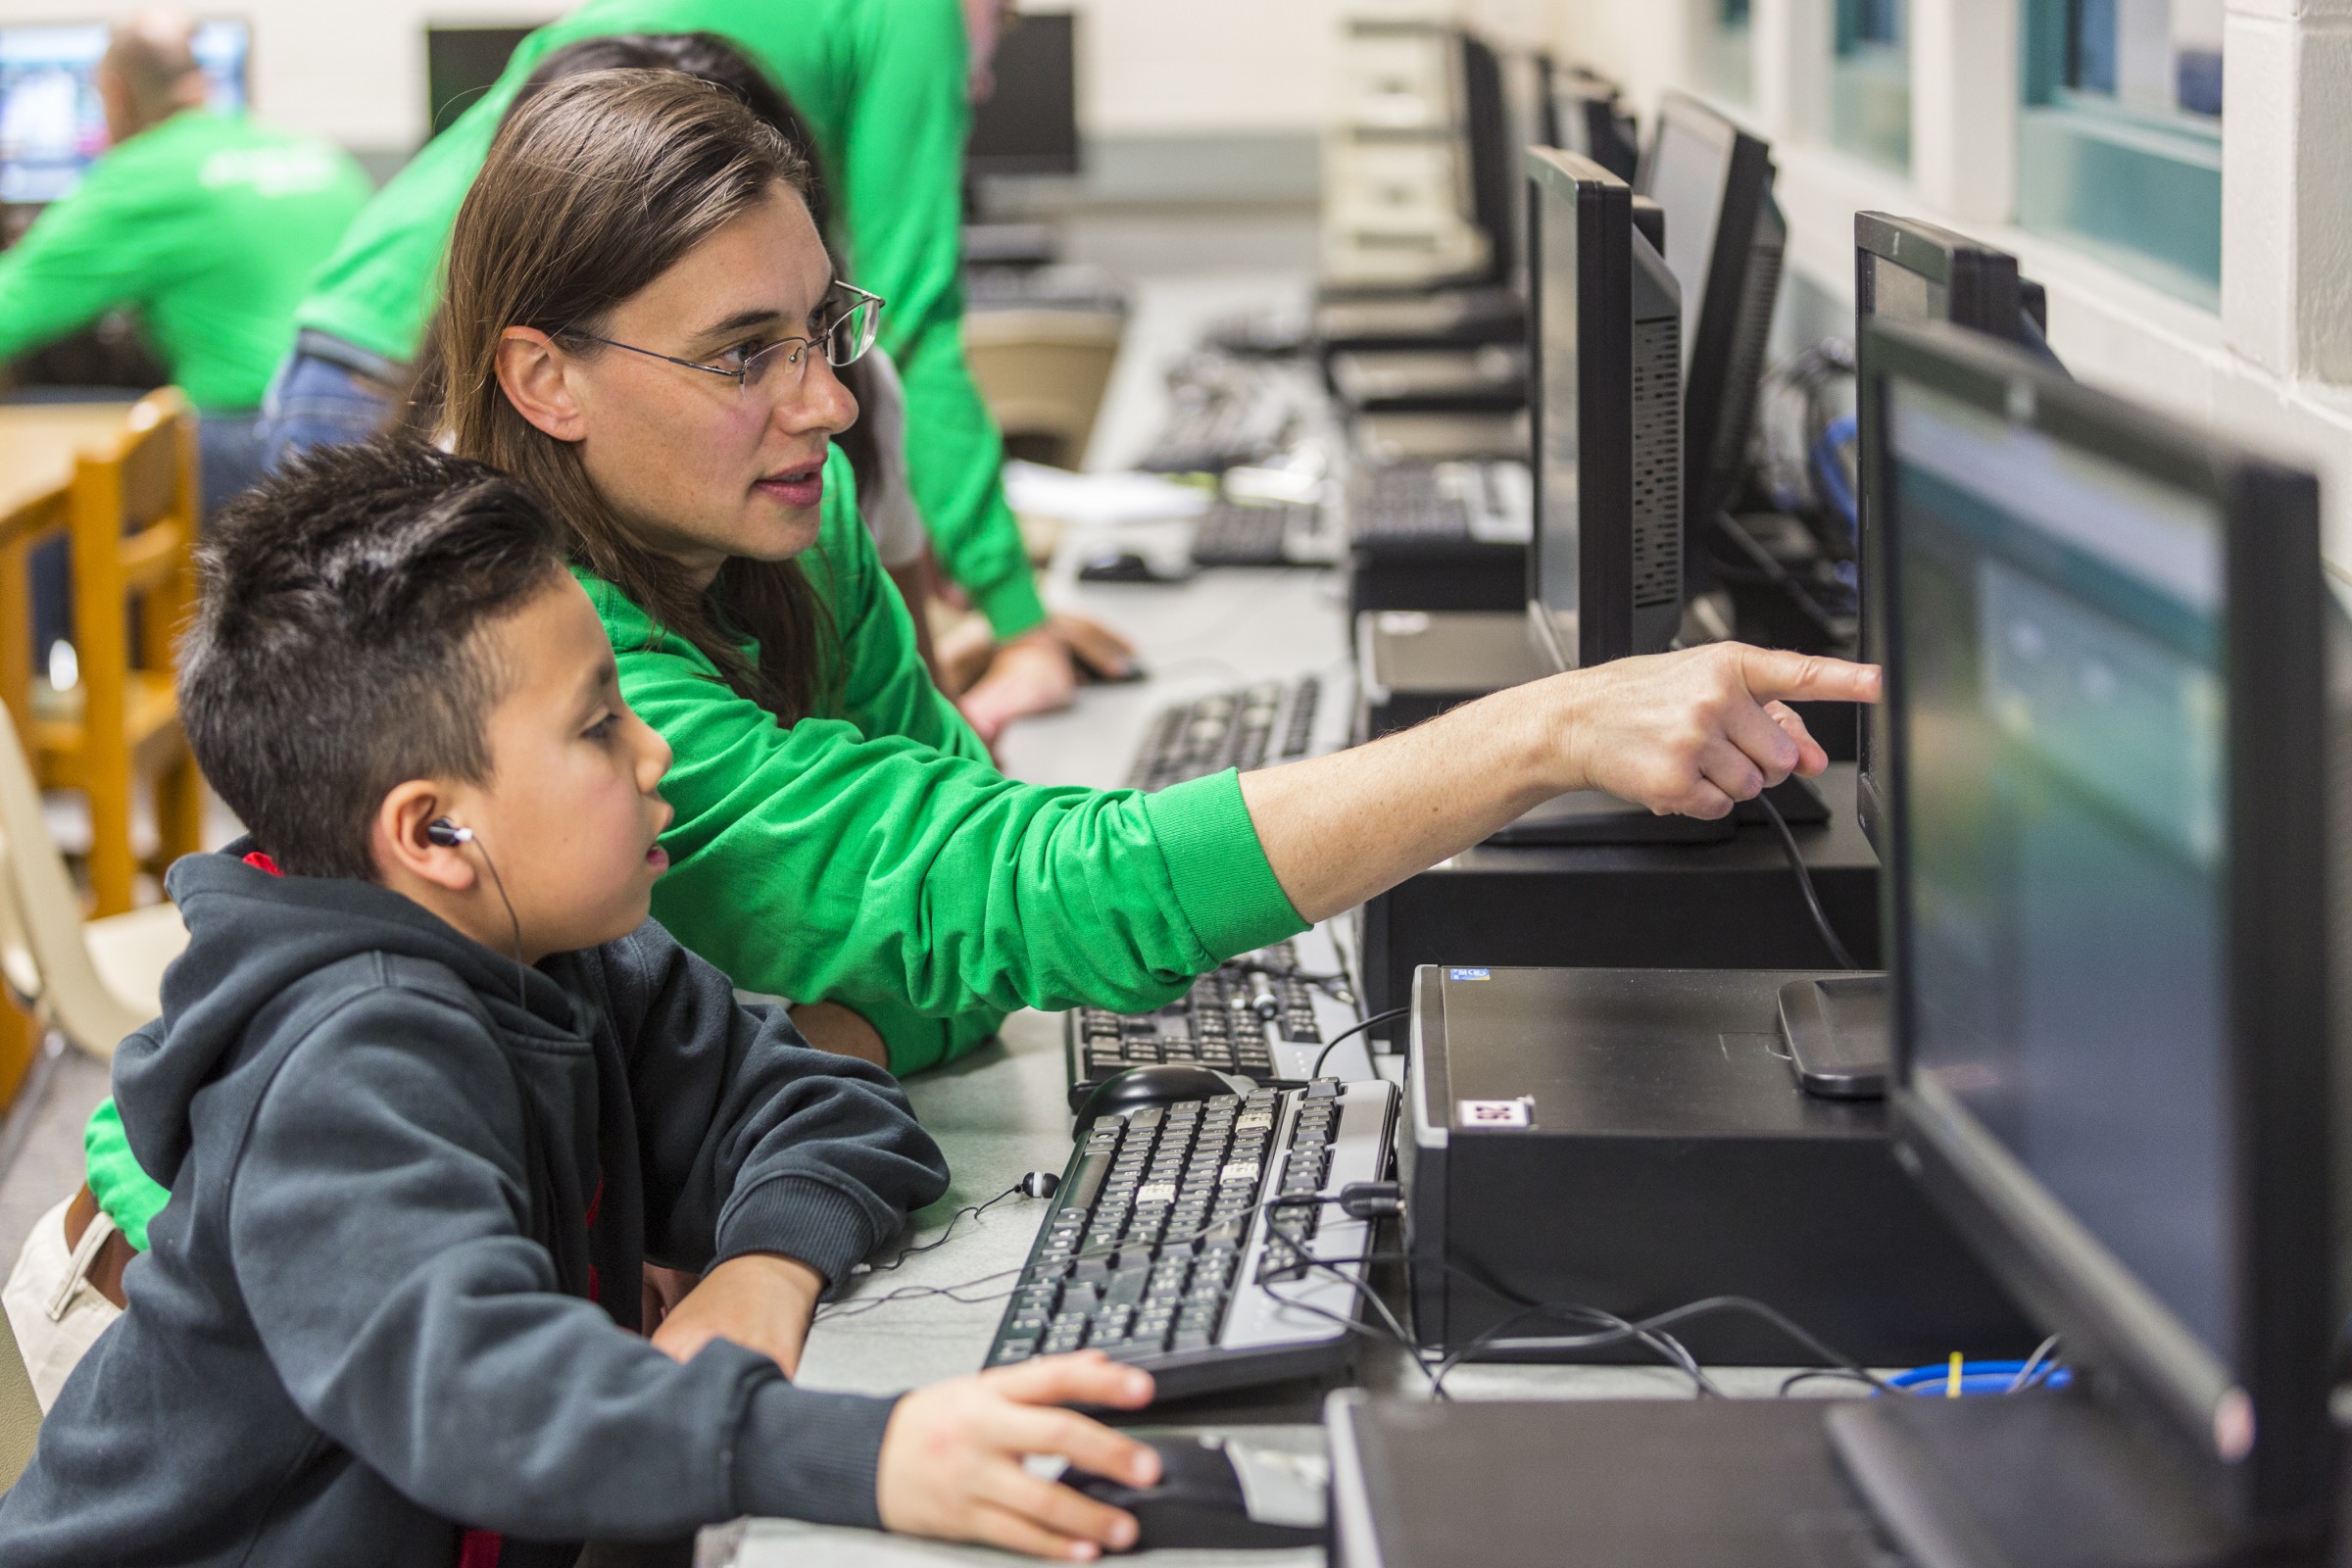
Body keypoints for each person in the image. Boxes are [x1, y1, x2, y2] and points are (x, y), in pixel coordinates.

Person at [56, 71, 1874, 1341]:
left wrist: (843, 1027)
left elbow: (941, 909)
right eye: (740, 358)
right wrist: (1544, 733)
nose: (833, 411)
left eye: (819, 331)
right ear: (542, 378)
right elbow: (1009, 893)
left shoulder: (782, 505)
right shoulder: (562, 689)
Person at [0, 437, 1168, 1566]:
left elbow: (820, 1101)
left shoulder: (565, 954)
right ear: (434, 832)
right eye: (601, 723)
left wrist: (765, 1265)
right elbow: (484, 1401)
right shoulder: (342, 1066)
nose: (655, 753)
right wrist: (868, 1454)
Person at [262, 0, 1120, 741]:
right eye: (999, 26)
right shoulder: (918, 16)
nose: (982, 81)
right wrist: (1021, 627)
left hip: (370, 320)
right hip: (419, 359)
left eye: (822, 328)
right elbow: (922, 316)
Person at [0, 11, 368, 517]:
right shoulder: (318, 154)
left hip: (255, 436)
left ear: (115, 93)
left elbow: (10, 311)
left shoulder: (144, 174)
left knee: (43, 484)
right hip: (381, 427)